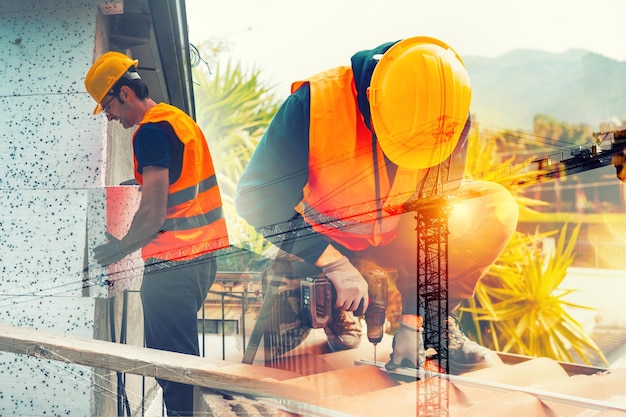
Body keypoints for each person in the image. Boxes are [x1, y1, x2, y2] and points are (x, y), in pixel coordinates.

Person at [235, 37, 518, 373]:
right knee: (261, 340)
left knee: (494, 207)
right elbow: (256, 199)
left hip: (398, 237)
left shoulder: (449, 118)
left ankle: (434, 324)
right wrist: (334, 265)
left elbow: (433, 220)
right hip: (324, 238)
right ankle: (335, 302)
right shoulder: (313, 105)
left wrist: (414, 322)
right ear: (371, 98)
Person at [84, 51, 229, 415]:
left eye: (109, 107)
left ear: (125, 94)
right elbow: (177, 189)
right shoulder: (178, 120)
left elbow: (152, 213)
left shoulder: (149, 133)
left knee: (173, 369)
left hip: (173, 264)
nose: (111, 117)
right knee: (182, 364)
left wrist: (119, 250)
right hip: (201, 259)